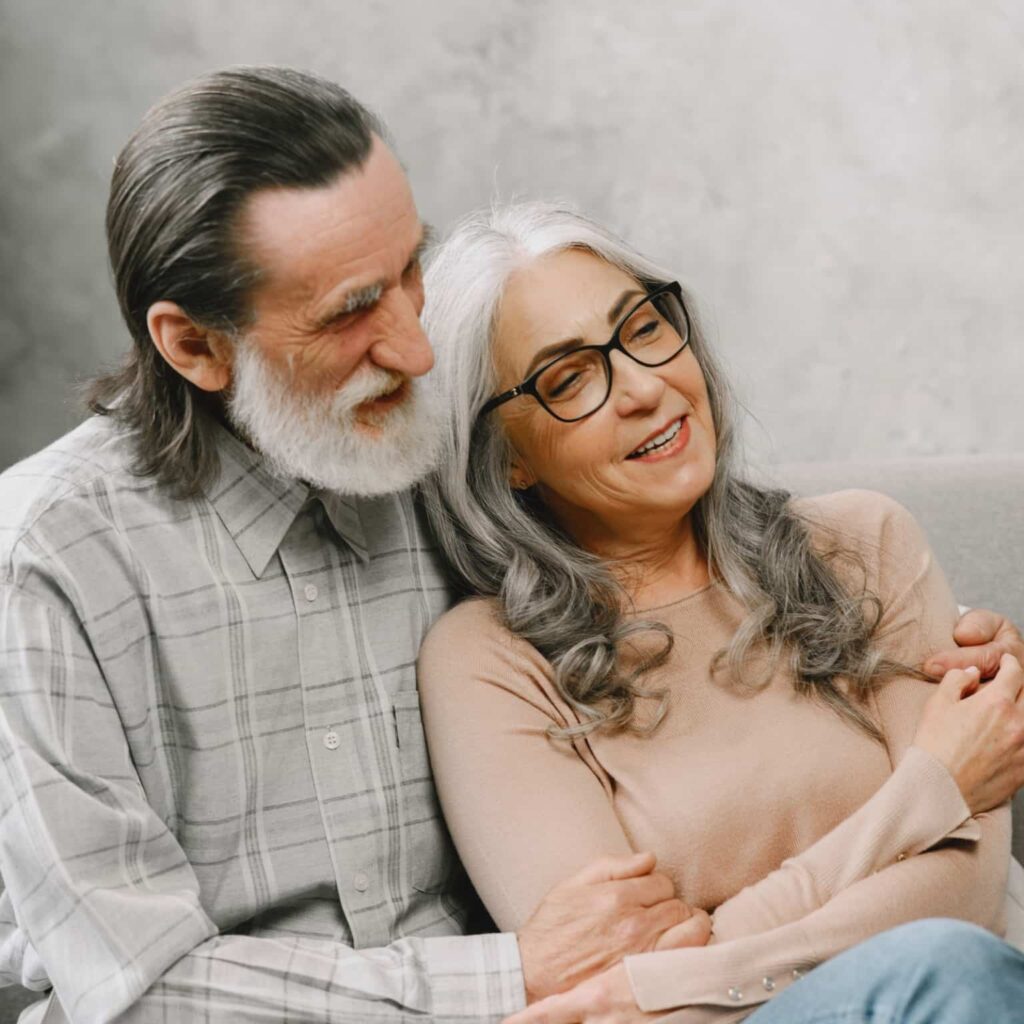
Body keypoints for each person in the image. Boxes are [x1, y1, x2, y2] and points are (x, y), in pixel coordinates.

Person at [0, 66, 1018, 1024]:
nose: (415, 347)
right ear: (193, 346)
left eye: (410, 271)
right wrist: (513, 974)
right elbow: (130, 990)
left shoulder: (410, 464)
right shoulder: (49, 561)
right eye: (355, 310)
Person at [415, 200, 1024, 1023]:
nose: (641, 386)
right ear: (509, 459)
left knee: (948, 962)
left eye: (643, 329)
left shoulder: (862, 542)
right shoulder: (489, 659)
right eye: (569, 379)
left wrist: (696, 965)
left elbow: (968, 889)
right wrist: (925, 794)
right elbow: (606, 983)